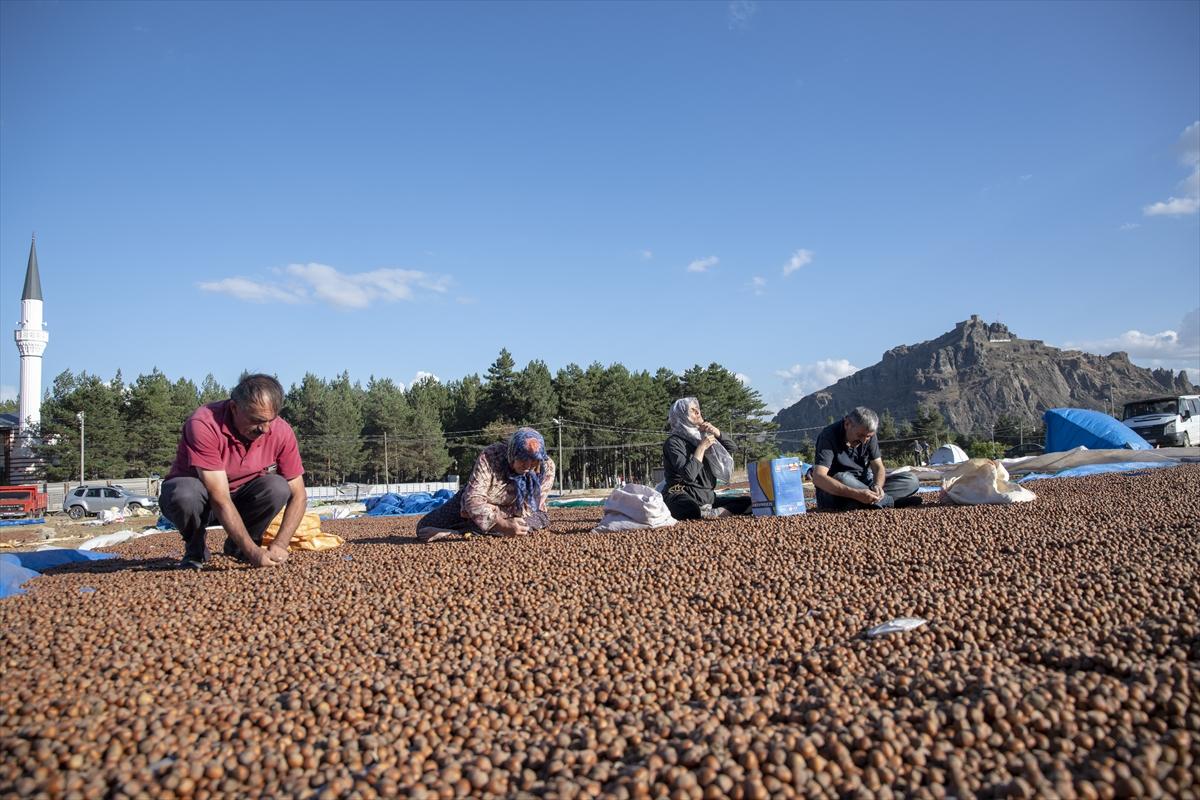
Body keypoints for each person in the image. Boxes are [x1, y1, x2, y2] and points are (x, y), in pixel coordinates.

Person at [160, 374, 307, 569]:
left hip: (240, 499)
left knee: (277, 487)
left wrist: (280, 544)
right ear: (234, 408)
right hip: (202, 500)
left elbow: (299, 495)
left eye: (270, 420)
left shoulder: (280, 431)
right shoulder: (204, 423)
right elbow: (219, 497)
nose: (264, 429)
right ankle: (195, 549)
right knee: (185, 494)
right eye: (256, 420)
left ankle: (239, 548)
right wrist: (254, 553)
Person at [416, 427, 556, 543]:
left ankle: (459, 532)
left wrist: (504, 523)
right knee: (424, 527)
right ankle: (475, 529)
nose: (528, 465)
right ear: (513, 454)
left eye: (533, 461)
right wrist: (501, 524)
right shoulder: (491, 456)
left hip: (516, 511)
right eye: (523, 459)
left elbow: (528, 509)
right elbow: (473, 500)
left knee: (529, 522)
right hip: (480, 503)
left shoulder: (546, 468)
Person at [812, 407, 921, 511]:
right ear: (847, 424)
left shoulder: (868, 434)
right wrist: (856, 494)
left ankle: (869, 502)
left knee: (911, 480)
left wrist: (878, 486)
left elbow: (878, 467)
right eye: (860, 435)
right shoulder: (828, 436)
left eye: (868, 436)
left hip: (864, 484)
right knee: (842, 477)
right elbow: (818, 477)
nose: (864, 441)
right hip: (837, 491)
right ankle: (890, 502)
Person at [661, 397, 751, 520]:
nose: (698, 412)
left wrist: (716, 431)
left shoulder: (702, 435)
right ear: (682, 416)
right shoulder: (674, 442)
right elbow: (688, 475)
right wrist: (701, 447)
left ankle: (711, 513)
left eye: (697, 409)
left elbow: (732, 448)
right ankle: (704, 512)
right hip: (683, 493)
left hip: (706, 496)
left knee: (747, 501)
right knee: (687, 508)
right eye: (692, 410)